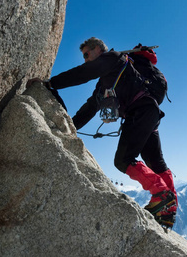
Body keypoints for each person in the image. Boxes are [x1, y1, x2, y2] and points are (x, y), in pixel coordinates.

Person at [27, 37, 177, 228]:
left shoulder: (113, 58)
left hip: (141, 111)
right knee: (156, 162)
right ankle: (168, 211)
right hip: (149, 112)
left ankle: (162, 195)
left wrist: (51, 83)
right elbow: (90, 108)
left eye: (86, 54)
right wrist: (69, 127)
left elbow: (83, 73)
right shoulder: (104, 83)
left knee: (123, 159)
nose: (85, 59)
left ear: (98, 49)